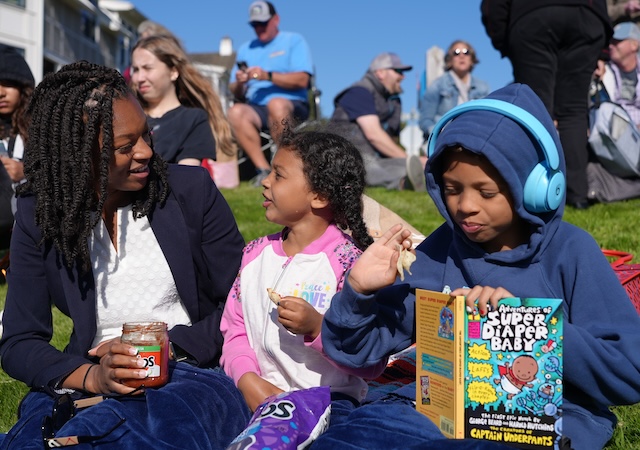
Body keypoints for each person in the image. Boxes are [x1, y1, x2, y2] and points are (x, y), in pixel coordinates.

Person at [317, 83, 640, 450]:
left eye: (486, 192)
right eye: (452, 189)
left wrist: (533, 327)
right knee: (351, 437)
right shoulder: (441, 249)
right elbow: (357, 353)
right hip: (432, 411)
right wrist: (359, 293)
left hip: (534, 422)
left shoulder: (570, 251)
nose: (465, 206)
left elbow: (629, 374)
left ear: (536, 187)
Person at [0, 61, 251, 449]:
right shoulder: (42, 215)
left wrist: (169, 347)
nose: (146, 152)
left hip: (186, 373)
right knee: (38, 439)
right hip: (86, 377)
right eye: (124, 146)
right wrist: (93, 377)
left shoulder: (189, 191)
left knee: (129, 436)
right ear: (76, 154)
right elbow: (20, 341)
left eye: (146, 134)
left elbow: (242, 303)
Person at [220, 125, 384, 424]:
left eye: (279, 175)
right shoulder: (255, 254)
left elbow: (371, 361)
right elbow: (235, 329)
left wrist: (319, 328)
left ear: (319, 196)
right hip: (252, 395)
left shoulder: (351, 265)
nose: (265, 181)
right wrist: (247, 379)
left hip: (329, 405)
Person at [481, 0, 612, 209]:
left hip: (533, 15)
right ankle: (577, 195)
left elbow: (493, 6)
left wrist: (505, 40)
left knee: (535, 109)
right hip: (586, 15)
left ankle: (533, 194)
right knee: (574, 110)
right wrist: (602, 48)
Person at [227, 1, 314, 186]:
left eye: (263, 23)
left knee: (276, 103)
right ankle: (264, 171)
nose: (259, 28)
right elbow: (234, 90)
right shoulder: (245, 49)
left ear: (276, 20)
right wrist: (240, 82)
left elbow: (302, 80)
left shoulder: (294, 40)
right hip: (257, 107)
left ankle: (285, 167)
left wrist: (267, 76)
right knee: (236, 111)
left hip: (293, 104)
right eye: (254, 24)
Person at [130, 34, 236, 166]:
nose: (140, 78)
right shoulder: (128, 117)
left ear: (173, 72)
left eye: (148, 68)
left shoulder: (193, 120)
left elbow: (186, 174)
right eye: (135, 70)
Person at [330, 52, 426, 191]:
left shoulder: (393, 101)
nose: (403, 76)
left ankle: (418, 179)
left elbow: (391, 139)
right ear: (380, 72)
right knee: (369, 168)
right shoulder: (359, 92)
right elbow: (374, 135)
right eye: (398, 71)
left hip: (377, 160)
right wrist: (409, 160)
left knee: (410, 167)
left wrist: (416, 163)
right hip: (347, 156)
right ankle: (403, 183)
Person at [0, 44, 35, 245]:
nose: (1, 92)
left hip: (28, 237)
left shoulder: (41, 127)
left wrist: (25, 172)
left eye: (7, 84)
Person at [418, 40, 490, 137]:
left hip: (475, 137)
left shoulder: (482, 87)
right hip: (446, 139)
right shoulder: (438, 85)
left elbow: (488, 118)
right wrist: (439, 133)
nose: (461, 56)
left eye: (466, 52)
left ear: (472, 59)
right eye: (456, 53)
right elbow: (425, 120)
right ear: (450, 60)